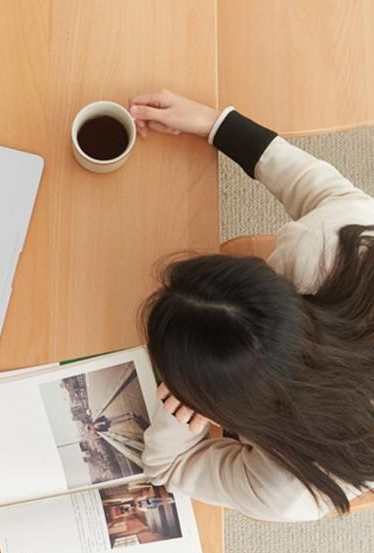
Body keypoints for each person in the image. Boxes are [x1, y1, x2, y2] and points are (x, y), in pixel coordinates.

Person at [128, 91, 374, 521]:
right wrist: (217, 125)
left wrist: (174, 415)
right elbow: (326, 192)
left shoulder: (289, 487)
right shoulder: (330, 242)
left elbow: (166, 468)